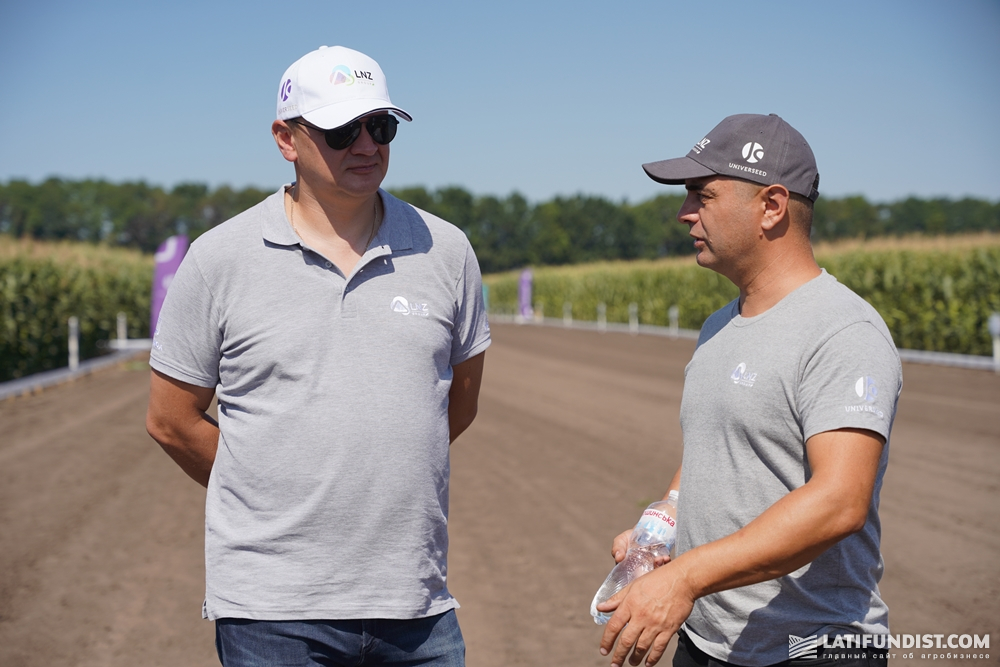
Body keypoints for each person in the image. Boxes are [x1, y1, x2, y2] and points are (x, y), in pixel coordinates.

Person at [145, 45, 490, 667]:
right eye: (341, 130)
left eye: (380, 126)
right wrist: (265, 487)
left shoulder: (446, 250)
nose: (366, 145)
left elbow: (457, 400)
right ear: (286, 138)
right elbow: (171, 419)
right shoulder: (219, 258)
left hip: (416, 605)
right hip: (271, 612)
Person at [596, 114, 902, 667]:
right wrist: (662, 524)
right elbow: (715, 451)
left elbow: (839, 502)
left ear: (772, 206)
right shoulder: (719, 325)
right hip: (708, 638)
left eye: (702, 195)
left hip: (810, 646)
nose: (684, 213)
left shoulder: (842, 331)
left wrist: (686, 579)